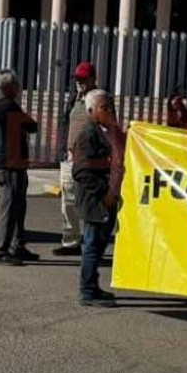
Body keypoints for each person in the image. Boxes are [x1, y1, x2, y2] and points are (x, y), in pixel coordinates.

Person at [72, 89, 123, 308]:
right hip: (96, 200)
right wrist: (105, 194)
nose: (110, 111)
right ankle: (87, 291)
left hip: (109, 197)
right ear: (91, 111)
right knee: (92, 246)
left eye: (111, 106)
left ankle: (92, 286)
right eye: (105, 107)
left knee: (100, 244)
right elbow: (81, 171)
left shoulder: (110, 132)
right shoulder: (88, 135)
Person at [0, 68, 39, 266]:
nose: (18, 88)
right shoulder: (8, 106)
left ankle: (17, 245)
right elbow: (31, 126)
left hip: (7, 162)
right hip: (11, 163)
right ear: (7, 87)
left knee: (17, 205)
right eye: (15, 84)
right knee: (10, 206)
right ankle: (1, 250)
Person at [56, 62, 99, 256]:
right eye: (77, 79)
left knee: (89, 201)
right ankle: (71, 242)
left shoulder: (98, 99)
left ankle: (92, 243)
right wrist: (65, 148)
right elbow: (65, 123)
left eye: (83, 79)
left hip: (88, 159)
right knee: (68, 201)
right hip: (70, 157)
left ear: (92, 79)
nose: (80, 83)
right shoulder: (74, 99)